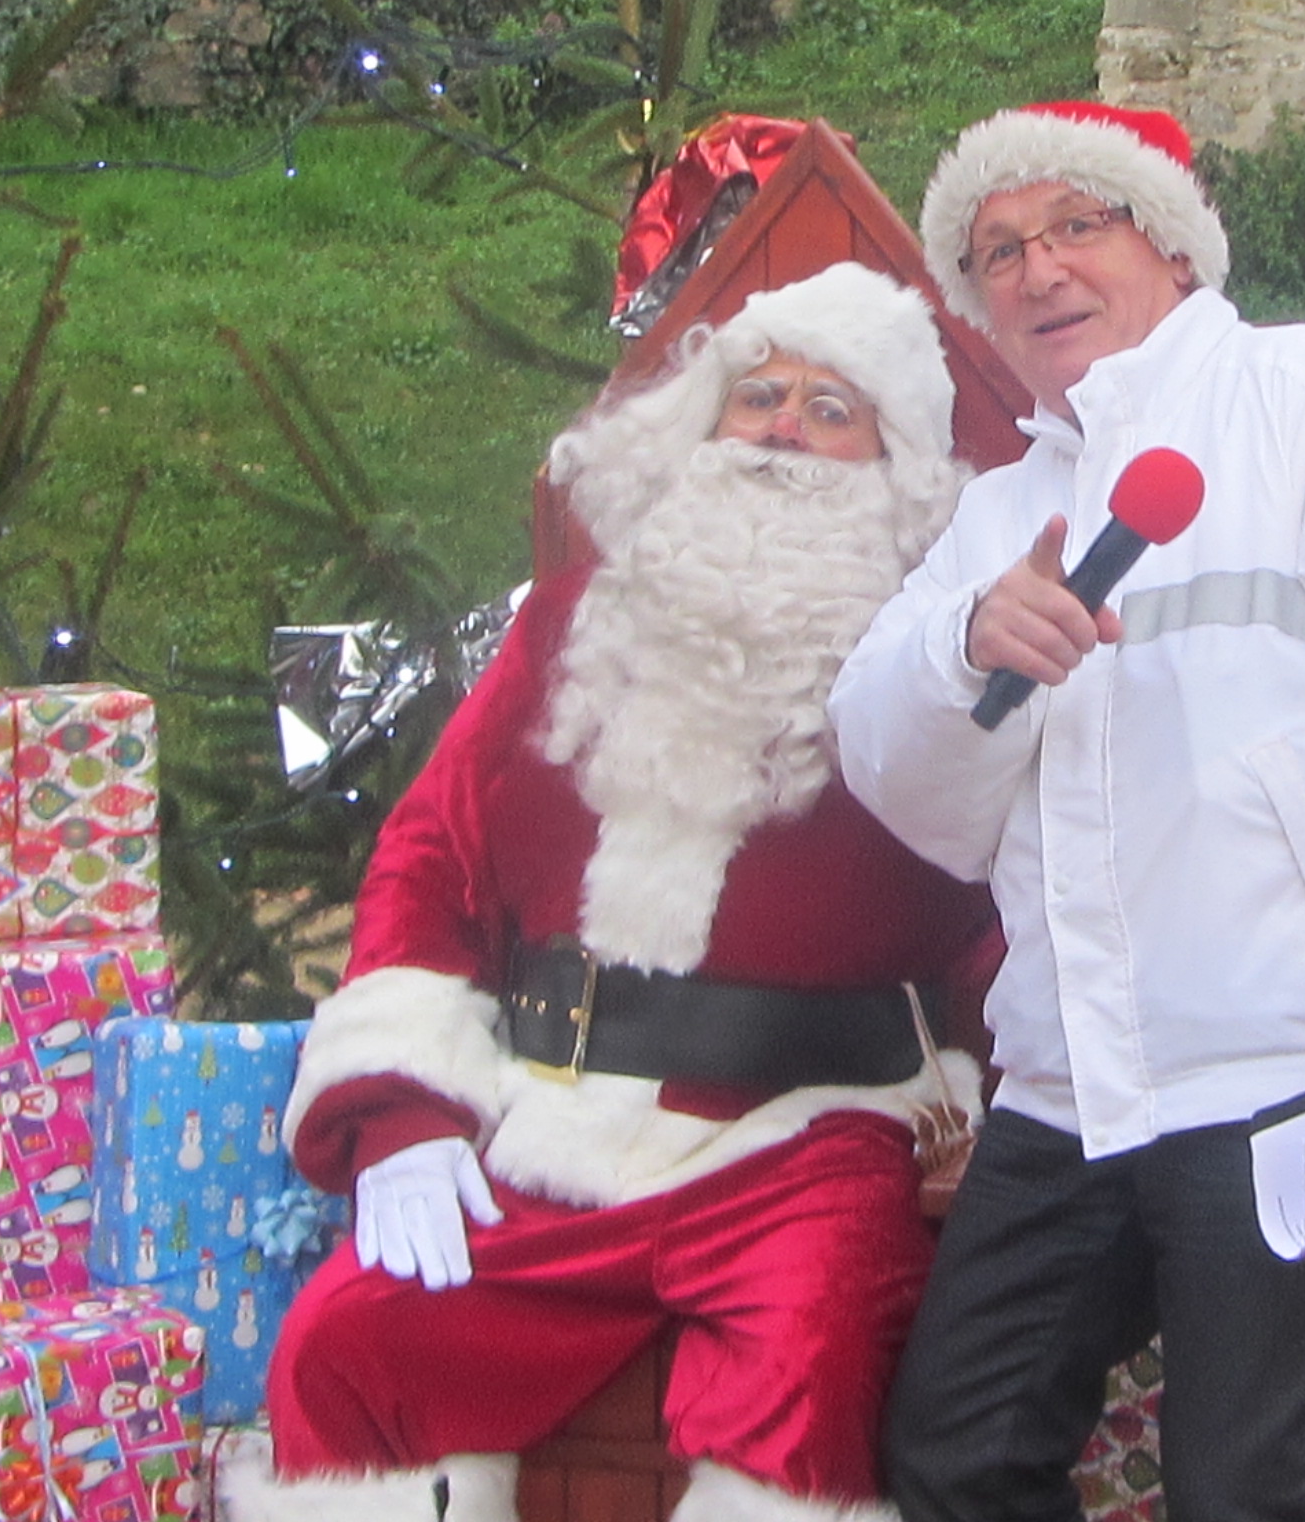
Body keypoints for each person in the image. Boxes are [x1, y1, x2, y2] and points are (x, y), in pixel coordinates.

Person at [827, 102, 1305, 1522]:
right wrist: (962, 654)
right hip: (1070, 1091)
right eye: (998, 250)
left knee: (1244, 1492)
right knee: (952, 1456)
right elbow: (910, 790)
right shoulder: (1000, 516)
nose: (1037, 270)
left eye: (1077, 225)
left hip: (1283, 1079)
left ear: (1172, 248)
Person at [236, 263, 1002, 1522]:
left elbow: (1007, 902)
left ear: (895, 462)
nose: (782, 433)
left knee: (802, 1385)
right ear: (702, 422)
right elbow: (432, 857)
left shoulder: (931, 659)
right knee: (350, 1342)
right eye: (758, 397)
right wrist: (401, 1116)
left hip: (812, 1136)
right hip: (557, 1124)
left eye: (830, 410)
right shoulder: (572, 624)